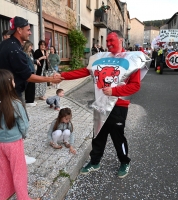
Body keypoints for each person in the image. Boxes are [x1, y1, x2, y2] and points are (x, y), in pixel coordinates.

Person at [55, 30, 144, 178]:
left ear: (121, 40)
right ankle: (95, 162)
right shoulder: (100, 57)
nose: (108, 44)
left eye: (111, 41)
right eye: (106, 41)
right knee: (98, 135)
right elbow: (84, 71)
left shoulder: (131, 59)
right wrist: (63, 76)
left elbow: (135, 86)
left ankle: (124, 161)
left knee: (117, 137)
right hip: (101, 103)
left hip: (119, 105)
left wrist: (115, 91)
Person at [0, 69, 40, 200]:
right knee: (19, 171)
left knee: (2, 170)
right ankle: (23, 197)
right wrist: (23, 135)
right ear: (9, 84)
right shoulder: (15, 103)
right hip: (14, 143)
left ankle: (4, 195)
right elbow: (24, 124)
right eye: (13, 80)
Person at [0, 16, 61, 104]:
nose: (30, 33)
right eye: (28, 30)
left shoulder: (4, 44)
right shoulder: (15, 49)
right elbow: (28, 76)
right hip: (12, 95)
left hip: (3, 92)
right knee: (19, 117)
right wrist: (51, 79)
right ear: (19, 30)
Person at [23, 40, 38, 107]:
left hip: (32, 71)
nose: (31, 48)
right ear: (27, 46)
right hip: (29, 71)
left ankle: (31, 100)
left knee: (32, 86)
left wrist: (36, 61)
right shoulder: (24, 54)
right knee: (29, 87)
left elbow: (32, 61)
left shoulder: (30, 53)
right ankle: (29, 101)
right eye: (30, 46)